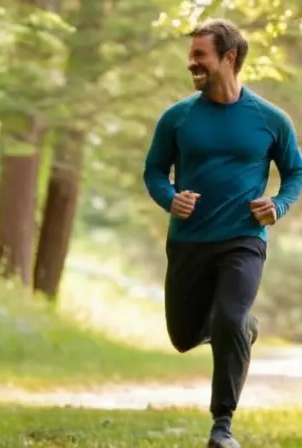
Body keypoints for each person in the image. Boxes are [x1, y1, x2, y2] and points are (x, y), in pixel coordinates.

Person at [143, 18, 302, 448]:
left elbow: (296, 172)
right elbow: (155, 171)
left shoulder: (270, 119)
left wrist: (279, 204)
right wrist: (170, 198)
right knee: (182, 336)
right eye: (192, 54)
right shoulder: (177, 117)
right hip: (189, 240)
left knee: (227, 317)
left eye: (200, 55)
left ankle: (222, 425)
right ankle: (240, 328)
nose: (191, 62)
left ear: (228, 57)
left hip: (243, 239)